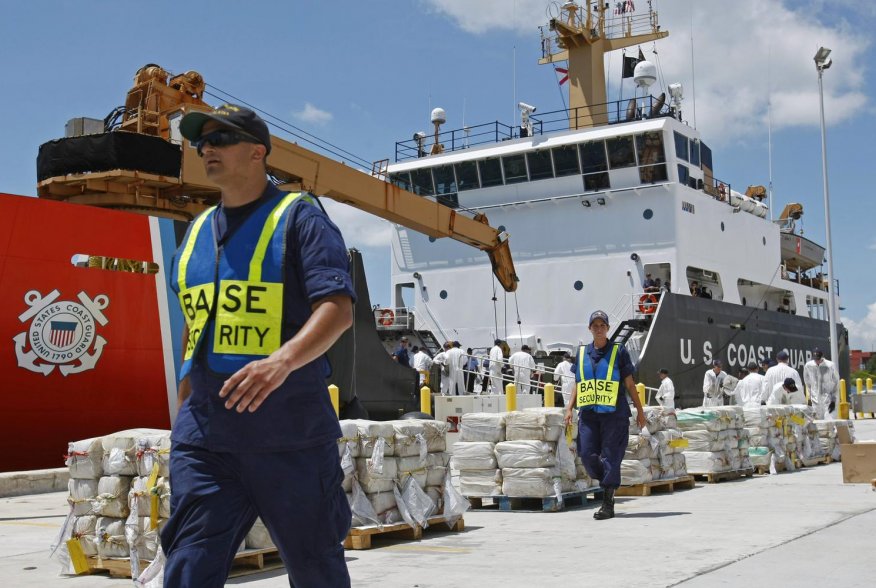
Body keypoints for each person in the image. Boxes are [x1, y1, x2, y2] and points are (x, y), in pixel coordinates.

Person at [165, 104, 353, 587]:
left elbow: (337, 309)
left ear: (256, 153)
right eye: (201, 142)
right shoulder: (194, 234)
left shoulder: (299, 218)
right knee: (188, 563)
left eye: (220, 140)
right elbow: (196, 317)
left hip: (288, 433)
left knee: (316, 567)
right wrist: (185, 395)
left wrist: (281, 362)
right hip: (206, 436)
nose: (207, 148)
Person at [564, 310, 646, 520]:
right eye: (595, 325)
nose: (599, 329)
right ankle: (608, 479)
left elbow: (629, 383)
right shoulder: (582, 352)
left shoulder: (619, 351)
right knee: (587, 454)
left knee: (611, 456)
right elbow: (578, 384)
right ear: (590, 328)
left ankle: (608, 502)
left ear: (608, 328)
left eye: (602, 325)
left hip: (614, 414)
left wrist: (640, 411)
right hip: (589, 413)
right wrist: (569, 408)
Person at [804, 347, 840, 419]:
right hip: (815, 400)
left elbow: (836, 383)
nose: (817, 361)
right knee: (816, 423)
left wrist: (834, 400)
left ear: (822, 356)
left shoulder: (830, 365)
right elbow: (808, 383)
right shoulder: (808, 366)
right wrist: (809, 399)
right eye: (815, 359)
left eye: (818, 359)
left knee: (830, 421)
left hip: (828, 400)